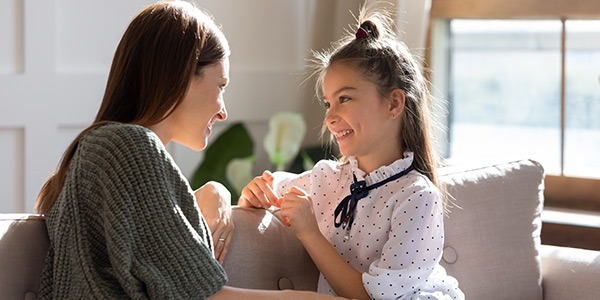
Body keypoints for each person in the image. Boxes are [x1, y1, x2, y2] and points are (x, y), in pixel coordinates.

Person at [35, 1, 348, 299]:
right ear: (182, 75)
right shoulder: (127, 147)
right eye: (221, 85)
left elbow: (146, 236)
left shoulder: (105, 148)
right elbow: (200, 295)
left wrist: (215, 191)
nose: (224, 111)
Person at [238, 4, 465, 300]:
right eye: (328, 103)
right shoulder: (326, 179)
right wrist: (252, 195)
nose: (330, 118)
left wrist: (310, 233)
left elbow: (374, 297)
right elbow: (267, 192)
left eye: (344, 98)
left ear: (394, 104)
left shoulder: (417, 197)